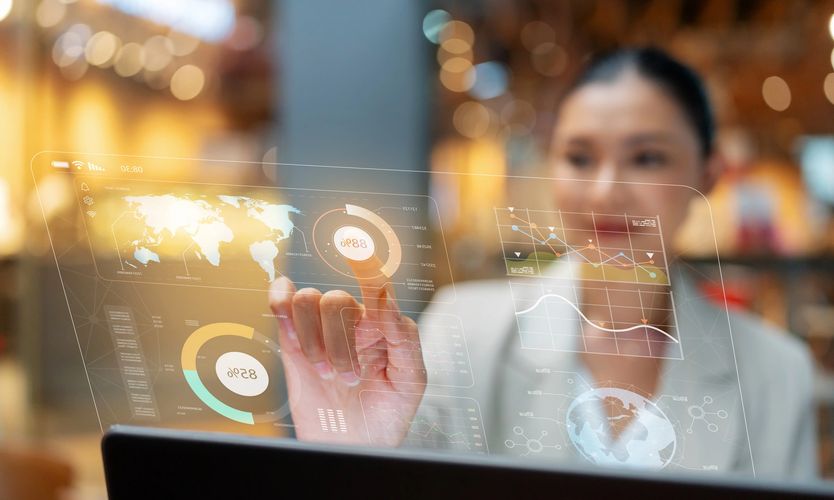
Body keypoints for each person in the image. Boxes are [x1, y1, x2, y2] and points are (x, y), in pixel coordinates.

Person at [267, 47, 817, 479]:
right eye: (579, 157)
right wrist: (351, 456)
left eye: (647, 157)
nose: (605, 192)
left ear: (708, 175)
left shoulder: (776, 374)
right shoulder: (463, 332)